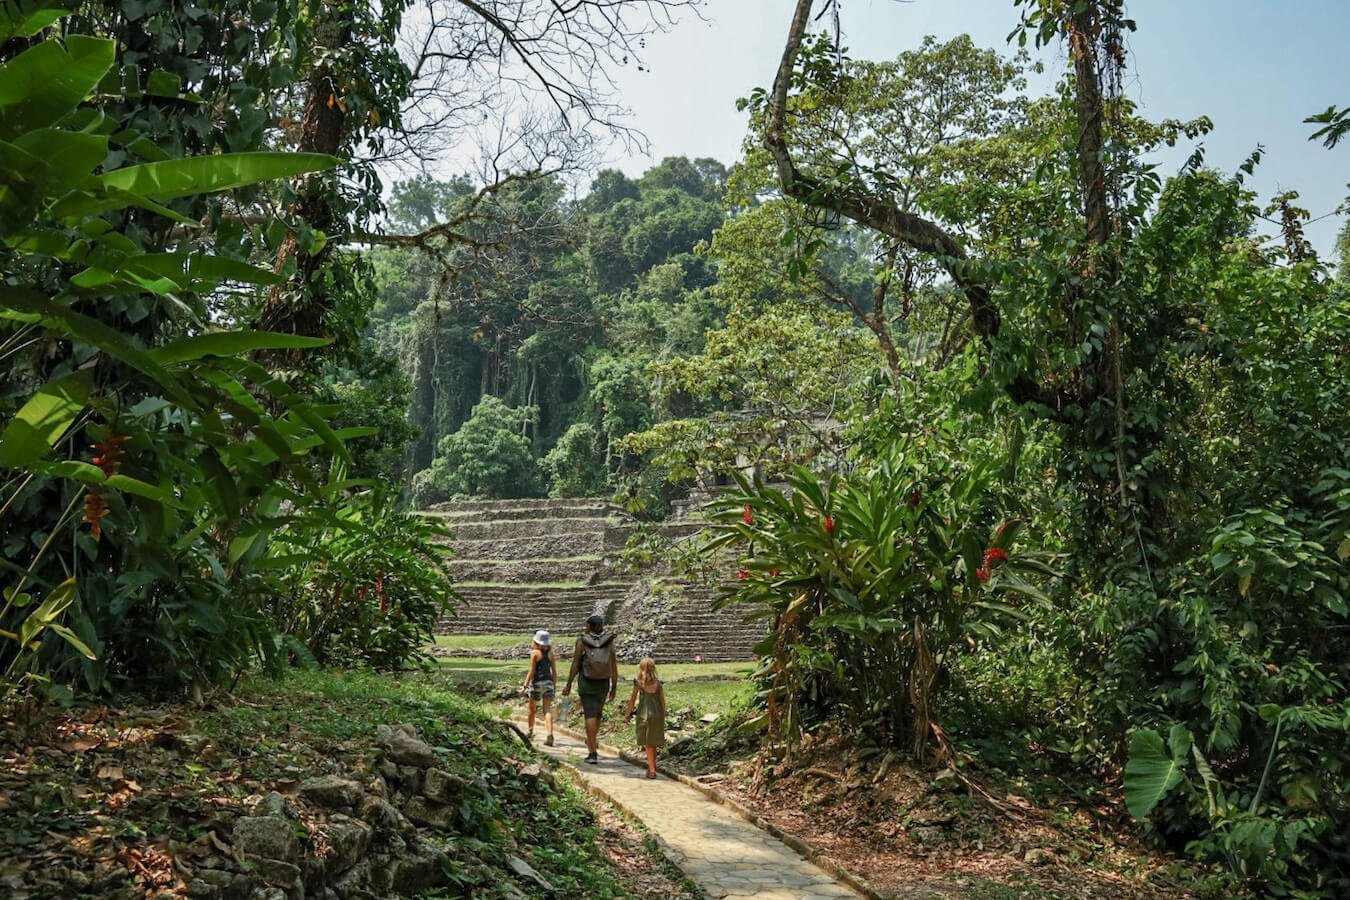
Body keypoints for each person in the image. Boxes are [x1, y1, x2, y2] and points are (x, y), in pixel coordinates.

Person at [561, 613, 618, 764]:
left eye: (587, 625)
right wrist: (614, 686)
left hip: (587, 681)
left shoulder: (582, 641)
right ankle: (592, 741)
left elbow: (575, 663)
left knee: (590, 714)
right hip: (604, 683)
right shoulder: (609, 641)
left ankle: (592, 752)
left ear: (590, 627)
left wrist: (569, 683)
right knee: (598, 714)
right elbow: (613, 665)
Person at [625, 657, 666, 779]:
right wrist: (663, 716)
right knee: (653, 743)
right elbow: (663, 702)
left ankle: (652, 770)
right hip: (657, 715)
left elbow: (632, 700)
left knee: (648, 744)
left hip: (644, 715)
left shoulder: (639, 684)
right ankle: (652, 766)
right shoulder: (658, 684)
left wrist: (628, 714)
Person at [519, 629, 555, 746]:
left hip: (537, 683)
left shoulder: (534, 653)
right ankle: (550, 734)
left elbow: (532, 671)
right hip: (549, 683)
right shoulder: (551, 654)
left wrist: (525, 687)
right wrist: (553, 685)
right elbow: (554, 672)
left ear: (537, 643)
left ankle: (530, 732)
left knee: (532, 709)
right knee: (547, 710)